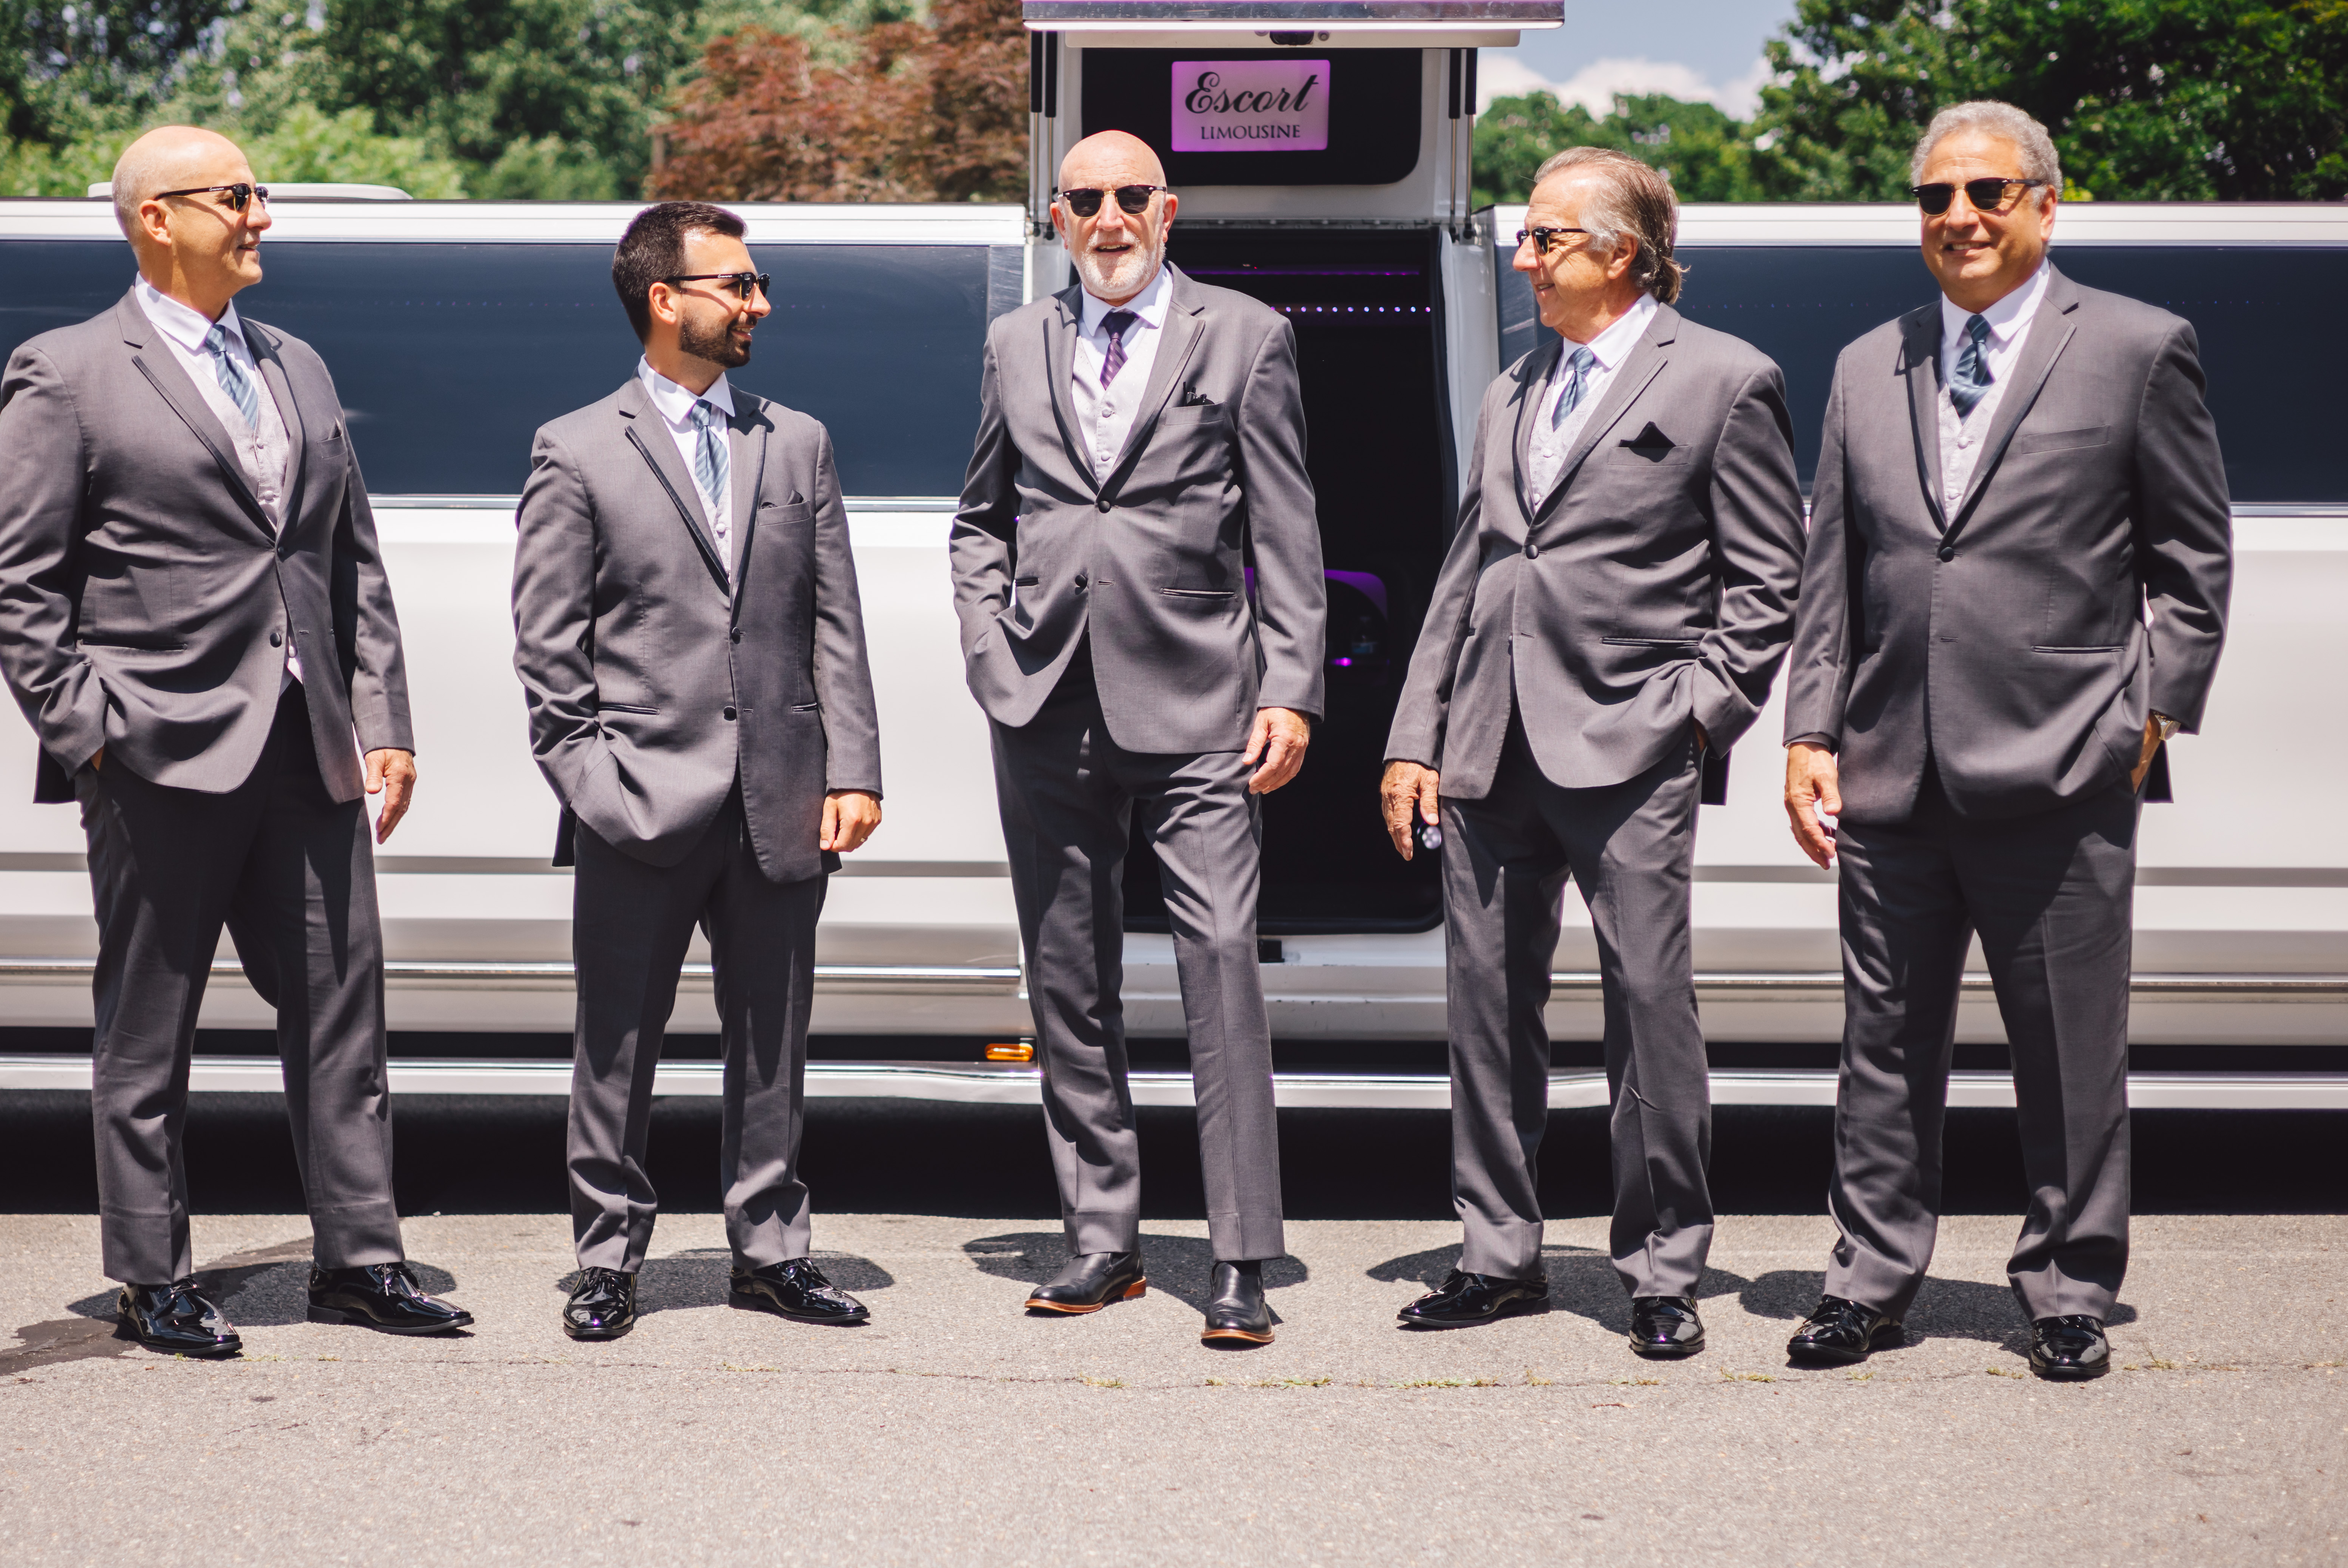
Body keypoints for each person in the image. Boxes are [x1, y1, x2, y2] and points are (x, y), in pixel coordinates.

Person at [0, 126, 467, 1356]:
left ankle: (358, 1260)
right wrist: (91, 731)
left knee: (345, 1017)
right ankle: (152, 1274)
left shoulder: (296, 362)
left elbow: (348, 562)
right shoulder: (70, 369)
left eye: (261, 195)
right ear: (155, 217)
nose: (261, 217)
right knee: (150, 1027)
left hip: (310, 748)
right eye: (239, 196)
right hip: (158, 754)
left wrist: (383, 721)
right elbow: (13, 580)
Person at [1780, 101, 2233, 1380]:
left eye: (1986, 192)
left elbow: (2192, 561)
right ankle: (1869, 1280)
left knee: (2070, 1048)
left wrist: (2149, 716)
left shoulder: (2142, 349)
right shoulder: (1871, 362)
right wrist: (1809, 731)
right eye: (1935, 198)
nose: (1959, 218)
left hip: (2064, 765)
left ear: (2047, 200)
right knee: (1882, 1045)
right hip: (1889, 766)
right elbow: (1835, 570)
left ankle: (2069, 1285)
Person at [1379, 147, 1805, 1358]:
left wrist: (1695, 716)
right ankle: (1498, 1255)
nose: (1522, 259)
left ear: (1621, 254)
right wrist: (1416, 739)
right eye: (1526, 237)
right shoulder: (1512, 388)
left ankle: (1662, 1268)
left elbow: (1770, 582)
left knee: (1650, 1008)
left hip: (1632, 745)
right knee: (1485, 1013)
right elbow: (1473, 571)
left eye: (1545, 240)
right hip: (1487, 746)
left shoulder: (1727, 379)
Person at [949, 130, 1325, 1347]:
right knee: (1068, 979)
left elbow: (1287, 526)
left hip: (1204, 703)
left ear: (1169, 211)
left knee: (1220, 967)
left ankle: (1239, 1257)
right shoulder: (1015, 340)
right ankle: (1102, 1238)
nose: (1107, 219)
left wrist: (1293, 688)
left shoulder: (1246, 334)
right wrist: (986, 642)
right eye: (1082, 201)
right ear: (1055, 218)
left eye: (1128, 198)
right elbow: (980, 518)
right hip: (1044, 699)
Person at [514, 202, 884, 1341]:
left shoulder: (799, 442)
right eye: (738, 283)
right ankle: (608, 1258)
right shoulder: (575, 447)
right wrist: (593, 783)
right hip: (639, 799)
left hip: (779, 792)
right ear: (666, 298)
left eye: (758, 282)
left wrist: (852, 768)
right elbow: (547, 646)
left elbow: (836, 622)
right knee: (615, 1042)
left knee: (772, 1037)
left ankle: (770, 1250)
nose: (759, 303)